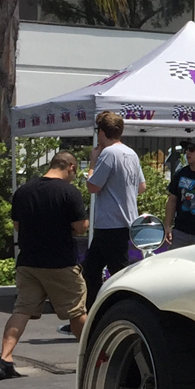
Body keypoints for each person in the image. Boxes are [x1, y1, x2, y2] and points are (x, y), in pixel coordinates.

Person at [0, 150, 88, 379]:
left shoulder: (24, 191)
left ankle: (4, 359)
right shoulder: (69, 192)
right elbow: (81, 227)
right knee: (77, 311)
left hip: (28, 261)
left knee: (22, 309)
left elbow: (17, 225)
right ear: (71, 167)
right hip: (60, 262)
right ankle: (93, 357)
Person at [82, 110, 145, 305]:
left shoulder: (108, 154)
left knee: (117, 273)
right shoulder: (130, 153)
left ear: (101, 132)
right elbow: (141, 187)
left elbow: (93, 186)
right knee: (92, 269)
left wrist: (93, 161)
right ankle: (91, 312)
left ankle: (125, 310)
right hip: (126, 220)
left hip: (111, 222)